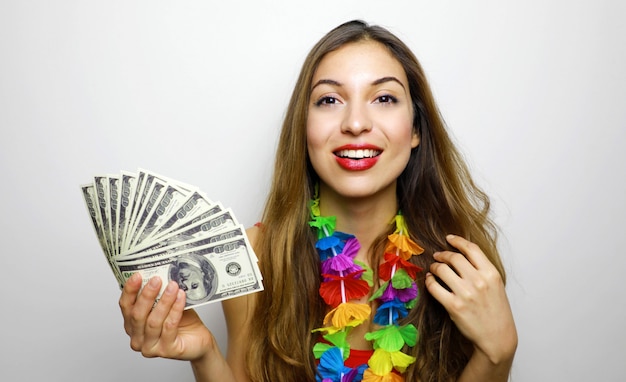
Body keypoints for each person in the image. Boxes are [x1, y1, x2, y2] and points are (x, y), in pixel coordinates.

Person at [119, 20, 517, 381]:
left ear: (416, 129)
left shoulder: (462, 266)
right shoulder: (256, 255)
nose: (356, 123)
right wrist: (205, 355)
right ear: (303, 126)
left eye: (384, 98)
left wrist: (497, 355)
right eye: (329, 100)